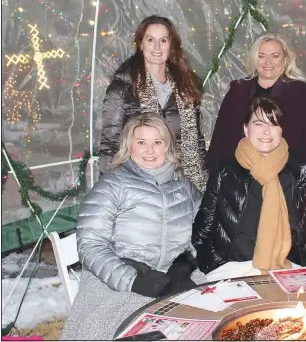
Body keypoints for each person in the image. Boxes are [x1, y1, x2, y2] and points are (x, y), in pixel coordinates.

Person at [61, 113, 202, 340]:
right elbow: (91, 245)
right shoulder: (112, 186)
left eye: (157, 142)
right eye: (141, 142)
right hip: (119, 281)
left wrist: (186, 262)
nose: (150, 150)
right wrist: (132, 280)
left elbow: (203, 231)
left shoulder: (184, 186)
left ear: (168, 146)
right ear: (129, 146)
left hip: (174, 279)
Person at [193, 95, 306, 281]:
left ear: (281, 130)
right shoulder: (226, 172)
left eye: (273, 124)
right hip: (232, 270)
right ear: (246, 129)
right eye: (258, 124)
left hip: (286, 269)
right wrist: (215, 265)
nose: (266, 131)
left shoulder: (302, 174)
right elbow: (202, 230)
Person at [99, 15, 208, 192]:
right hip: (139, 186)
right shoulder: (123, 87)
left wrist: (204, 186)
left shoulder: (186, 86)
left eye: (163, 40)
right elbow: (110, 145)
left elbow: (198, 143)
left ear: (171, 45)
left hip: (185, 186)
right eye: (151, 40)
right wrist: (107, 191)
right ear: (141, 44)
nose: (157, 47)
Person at [206, 32, 306, 172]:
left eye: (275, 56)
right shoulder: (237, 92)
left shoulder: (301, 94)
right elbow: (219, 142)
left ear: (286, 59)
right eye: (261, 56)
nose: (267, 62)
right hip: (237, 179)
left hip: (287, 180)